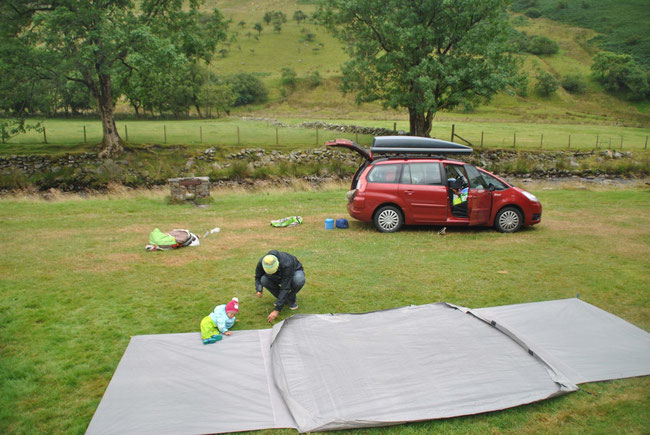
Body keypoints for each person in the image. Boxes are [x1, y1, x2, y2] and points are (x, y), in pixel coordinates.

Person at [255, 250, 305, 323]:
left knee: (299, 280)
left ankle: (290, 299)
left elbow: (285, 287)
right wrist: (259, 289)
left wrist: (276, 310)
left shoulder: (286, 264)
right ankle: (286, 300)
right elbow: (258, 277)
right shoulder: (262, 262)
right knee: (264, 280)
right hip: (278, 274)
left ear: (277, 264)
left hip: (294, 271)